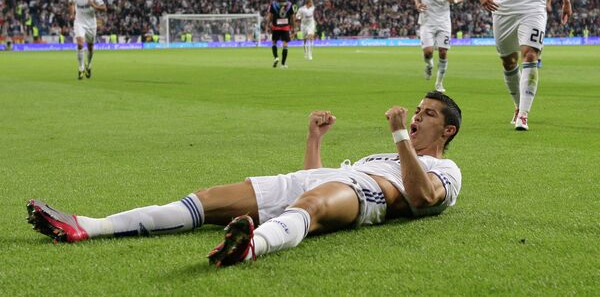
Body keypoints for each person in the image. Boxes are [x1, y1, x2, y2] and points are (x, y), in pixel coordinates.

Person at [27, 91, 462, 268]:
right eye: (417, 111)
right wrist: (314, 140)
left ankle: (249, 247)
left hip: (365, 194)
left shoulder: (447, 169)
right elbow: (314, 176)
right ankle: (89, 225)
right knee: (207, 199)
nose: (418, 116)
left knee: (310, 208)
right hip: (327, 179)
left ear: (447, 132)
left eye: (428, 115)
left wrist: (400, 133)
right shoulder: (381, 153)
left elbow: (422, 197)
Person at [469, 0, 571, 131]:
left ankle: (523, 115)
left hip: (532, 7)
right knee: (508, 61)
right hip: (502, 9)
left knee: (530, 54)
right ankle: (518, 106)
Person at [414, 0, 464, 93]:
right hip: (427, 20)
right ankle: (429, 64)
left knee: (443, 51)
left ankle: (439, 83)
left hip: (443, 21)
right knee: (428, 52)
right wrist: (418, 4)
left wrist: (453, 0)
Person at [68, 0, 106, 80]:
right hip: (79, 22)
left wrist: (94, 5)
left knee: (90, 47)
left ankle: (88, 65)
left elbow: (104, 8)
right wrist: (71, 14)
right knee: (80, 43)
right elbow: (70, 3)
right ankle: (81, 69)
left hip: (91, 24)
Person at [265, 0, 296, 68]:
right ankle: (283, 64)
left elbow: (270, 16)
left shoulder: (273, 4)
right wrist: (294, 28)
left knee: (274, 42)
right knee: (285, 44)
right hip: (285, 27)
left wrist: (267, 25)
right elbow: (292, 17)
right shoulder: (289, 4)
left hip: (275, 27)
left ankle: (276, 57)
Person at [537, 0, 553, 68]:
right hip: (529, 12)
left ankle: (538, 59)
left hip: (541, 14)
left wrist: (548, 4)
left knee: (540, 37)